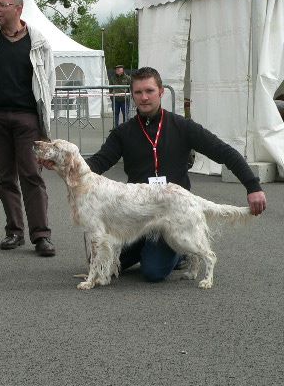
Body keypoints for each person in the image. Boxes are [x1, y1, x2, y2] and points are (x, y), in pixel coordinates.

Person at [72, 66, 267, 281]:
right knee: (100, 261)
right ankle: (145, 246)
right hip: (134, 212)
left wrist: (253, 186)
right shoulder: (123, 133)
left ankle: (181, 251)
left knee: (152, 272)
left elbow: (224, 152)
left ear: (161, 92)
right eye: (138, 92)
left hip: (172, 211)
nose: (144, 98)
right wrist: (67, 162)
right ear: (132, 95)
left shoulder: (183, 127)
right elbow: (98, 163)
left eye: (150, 91)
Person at [0, 0, 57, 257]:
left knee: (32, 175)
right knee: (5, 177)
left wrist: (42, 120)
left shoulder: (39, 41)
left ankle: (41, 235)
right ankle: (14, 231)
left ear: (18, 9)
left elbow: (49, 82)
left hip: (27, 119)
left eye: (2, 5)